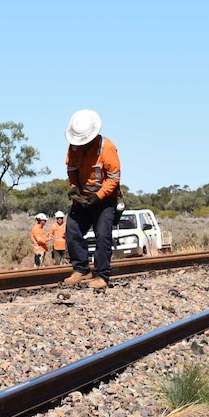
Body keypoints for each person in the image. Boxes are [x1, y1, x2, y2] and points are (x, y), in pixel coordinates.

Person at [62, 110, 121, 290]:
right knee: (72, 230)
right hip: (83, 198)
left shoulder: (107, 148)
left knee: (103, 235)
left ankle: (102, 276)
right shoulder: (73, 147)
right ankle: (81, 269)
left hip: (104, 200)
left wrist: (98, 196)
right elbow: (71, 169)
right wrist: (74, 188)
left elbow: (114, 178)